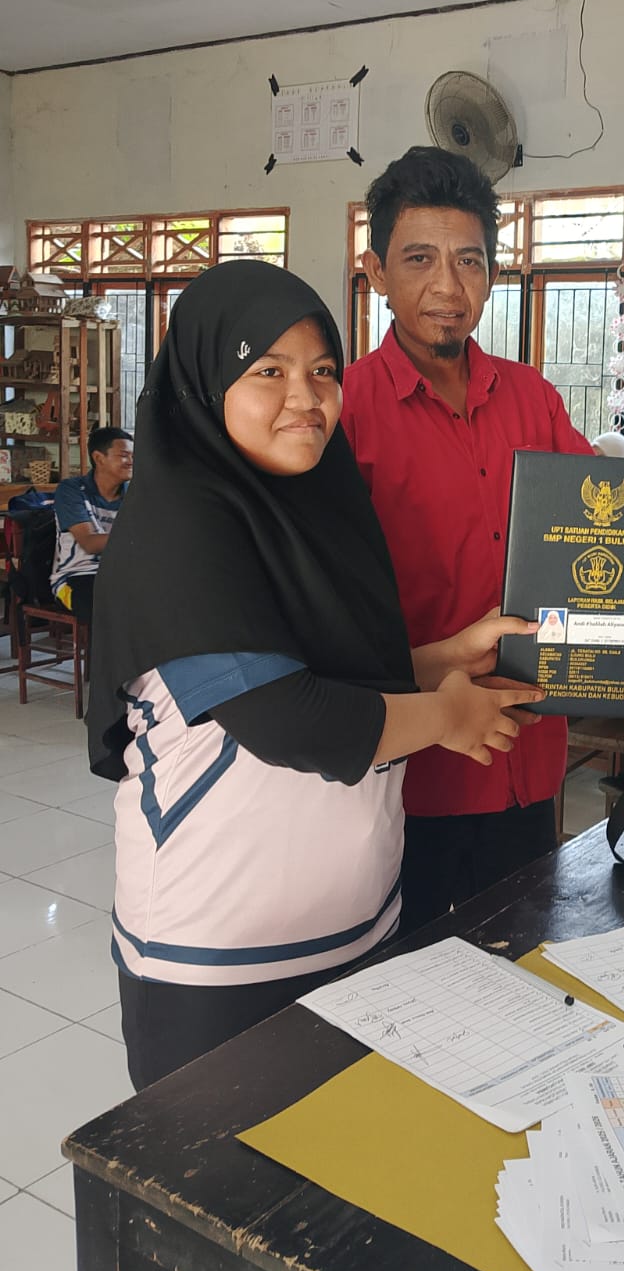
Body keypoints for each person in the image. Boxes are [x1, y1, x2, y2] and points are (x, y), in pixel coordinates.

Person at [87, 261, 541, 1098]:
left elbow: (325, 666)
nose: (306, 397)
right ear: (206, 379)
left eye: (323, 370)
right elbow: (285, 715)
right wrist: (446, 717)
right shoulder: (179, 527)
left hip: (359, 921)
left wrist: (446, 656)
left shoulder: (321, 506)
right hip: (217, 952)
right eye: (269, 370)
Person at [343, 146, 624, 932]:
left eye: (469, 261)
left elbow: (603, 538)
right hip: (410, 772)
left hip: (528, 758)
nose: (448, 287)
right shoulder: (345, 413)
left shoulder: (531, 398)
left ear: (492, 273)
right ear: (375, 271)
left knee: (522, 957)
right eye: (419, 259)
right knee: (412, 978)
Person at [49, 424, 133, 623]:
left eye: (133, 456)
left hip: (123, 572)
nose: (131, 462)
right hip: (77, 576)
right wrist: (142, 536)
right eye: (124, 455)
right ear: (98, 458)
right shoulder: (71, 491)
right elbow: (89, 543)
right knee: (106, 608)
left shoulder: (135, 494)